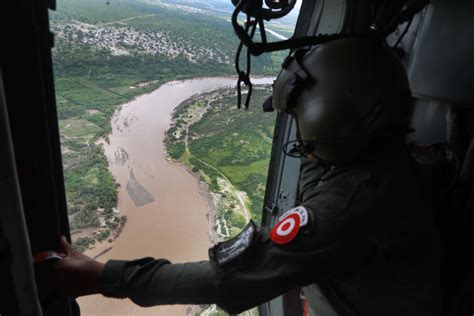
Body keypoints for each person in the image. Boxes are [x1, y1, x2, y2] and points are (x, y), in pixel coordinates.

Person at [54, 38, 441, 316]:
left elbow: (230, 281)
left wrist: (104, 277)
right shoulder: (394, 164)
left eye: (305, 124)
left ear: (337, 119)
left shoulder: (349, 205)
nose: (304, 141)